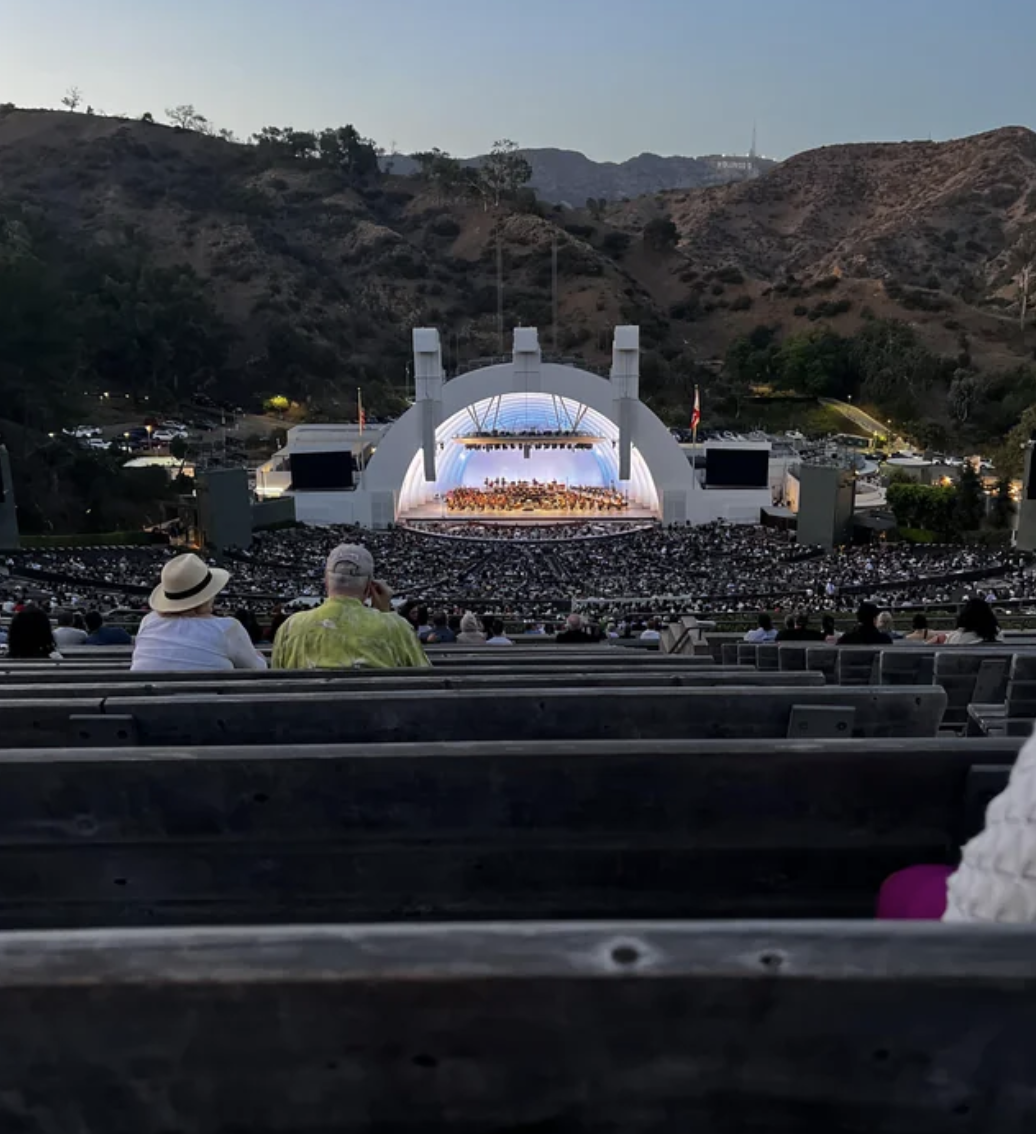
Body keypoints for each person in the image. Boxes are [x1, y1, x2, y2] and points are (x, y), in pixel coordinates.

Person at [273, 544, 428, 670]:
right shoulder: (397, 627)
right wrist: (385, 613)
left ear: (326, 582)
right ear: (369, 588)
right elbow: (425, 677)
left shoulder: (290, 627)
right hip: (379, 709)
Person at [132, 553, 268, 673]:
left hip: (148, 699)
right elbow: (257, 670)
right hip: (210, 700)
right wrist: (259, 657)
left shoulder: (148, 622)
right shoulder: (227, 628)